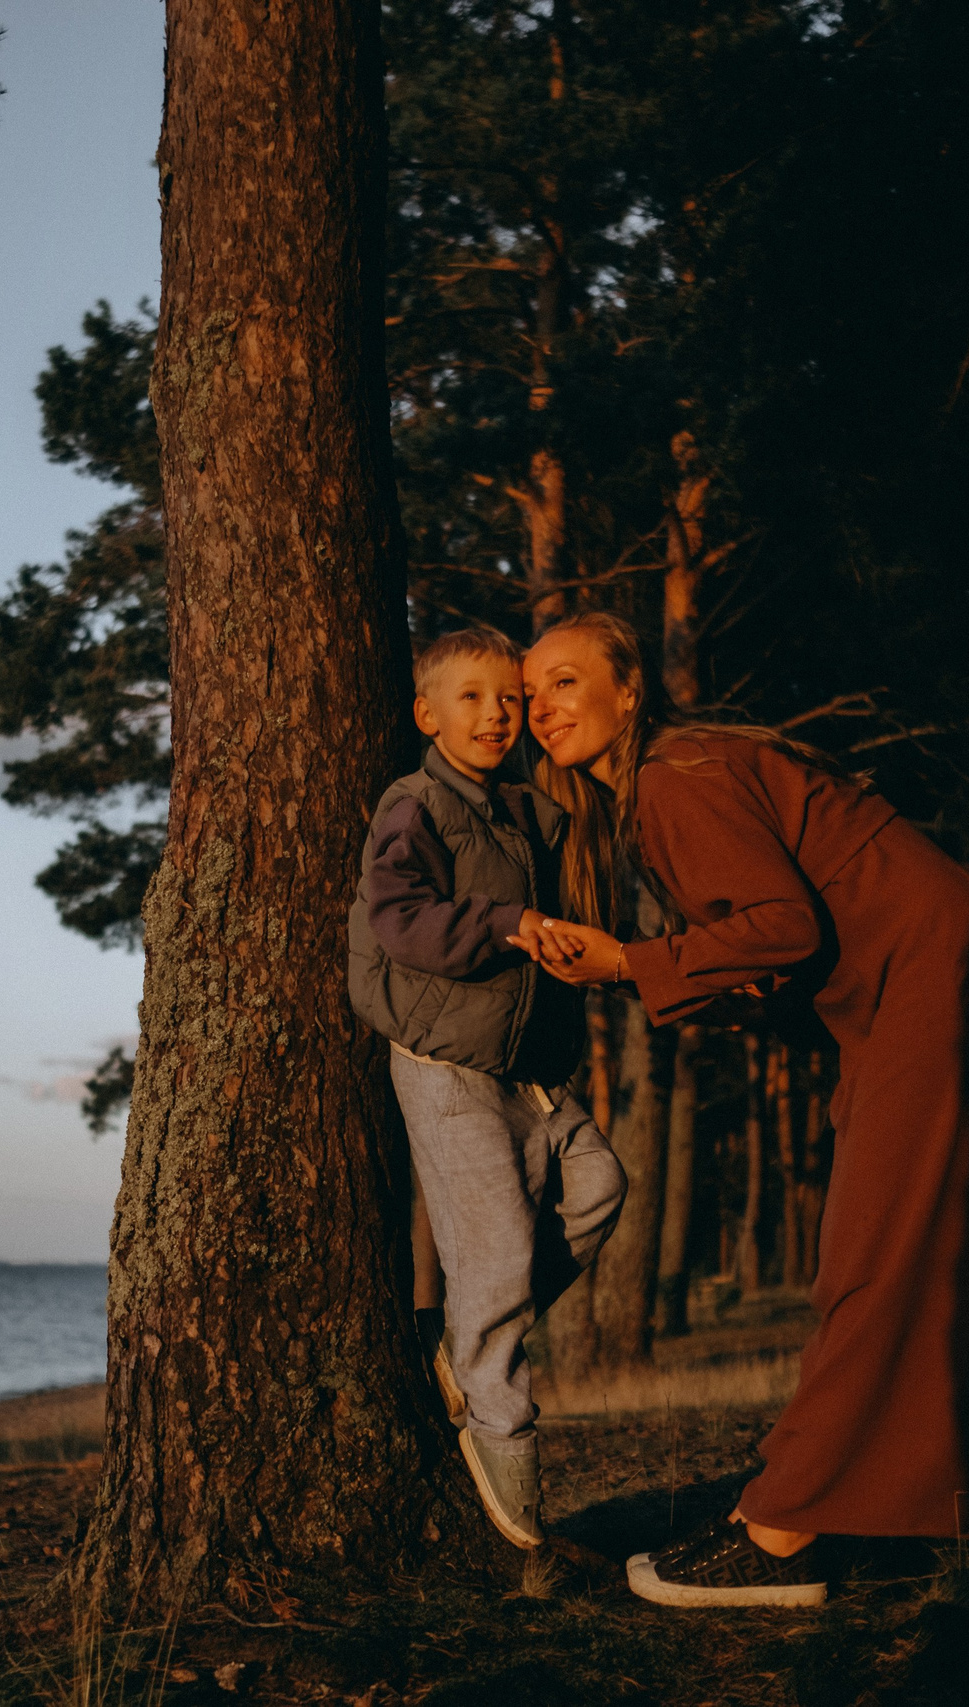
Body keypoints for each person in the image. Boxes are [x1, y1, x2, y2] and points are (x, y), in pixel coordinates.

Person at [517, 611, 969, 1609]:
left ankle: (782, 1532)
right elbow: (790, 940)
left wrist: (630, 962)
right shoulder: (676, 776)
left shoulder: (672, 775)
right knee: (923, 1254)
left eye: (565, 682)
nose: (540, 707)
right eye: (531, 694)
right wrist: (674, 979)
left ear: (628, 689)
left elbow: (783, 925)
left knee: (870, 1260)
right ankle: (916, 1505)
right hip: (926, 986)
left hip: (933, 982)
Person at [345, 628, 627, 1551]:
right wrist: (509, 922)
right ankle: (505, 1447)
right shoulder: (415, 804)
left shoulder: (527, 810)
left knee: (600, 1187)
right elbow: (399, 917)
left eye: (510, 698)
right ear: (427, 714)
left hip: (528, 1069)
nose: (498, 714)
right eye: (472, 697)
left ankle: (469, 1341)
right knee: (498, 1250)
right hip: (446, 1064)